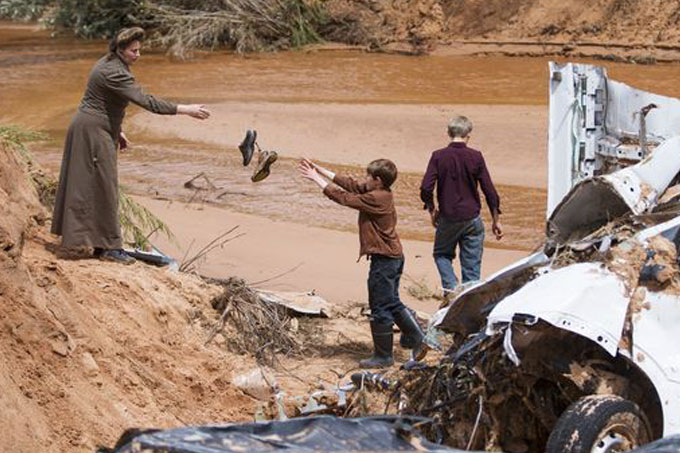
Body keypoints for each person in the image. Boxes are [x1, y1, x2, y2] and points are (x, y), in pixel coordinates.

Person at [51, 27, 210, 264]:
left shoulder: (110, 64)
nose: (138, 55)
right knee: (104, 187)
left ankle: (99, 243)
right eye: (134, 51)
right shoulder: (114, 72)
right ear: (120, 50)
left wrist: (118, 130)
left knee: (95, 184)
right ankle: (109, 248)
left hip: (95, 127)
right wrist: (186, 110)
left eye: (139, 50)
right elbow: (147, 101)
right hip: (93, 131)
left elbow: (106, 102)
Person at [299, 158, 425, 368]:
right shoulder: (379, 192)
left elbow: (344, 198)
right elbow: (351, 185)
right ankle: (415, 335)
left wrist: (315, 180)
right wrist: (320, 170)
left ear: (377, 180)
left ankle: (384, 356)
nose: (364, 179)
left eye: (368, 176)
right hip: (392, 257)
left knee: (380, 306)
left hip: (385, 259)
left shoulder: (376, 198)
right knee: (391, 300)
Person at [420, 115, 503, 293]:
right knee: (472, 267)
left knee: (442, 254)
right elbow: (489, 191)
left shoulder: (438, 156)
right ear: (468, 135)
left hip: (448, 217)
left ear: (449, 133)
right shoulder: (476, 157)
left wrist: (432, 210)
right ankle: (467, 299)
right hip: (472, 217)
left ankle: (451, 289)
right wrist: (496, 219)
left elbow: (426, 188)